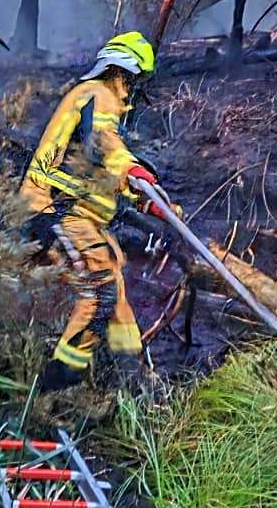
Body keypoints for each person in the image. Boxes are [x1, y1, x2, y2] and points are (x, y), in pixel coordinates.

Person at [19, 30, 169, 391]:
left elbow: (101, 171)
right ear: (120, 73)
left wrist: (146, 200)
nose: (135, 90)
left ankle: (132, 374)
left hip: (78, 214)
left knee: (113, 280)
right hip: (55, 208)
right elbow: (104, 145)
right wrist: (132, 170)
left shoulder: (99, 105)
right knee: (100, 290)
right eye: (135, 80)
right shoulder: (98, 94)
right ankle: (58, 383)